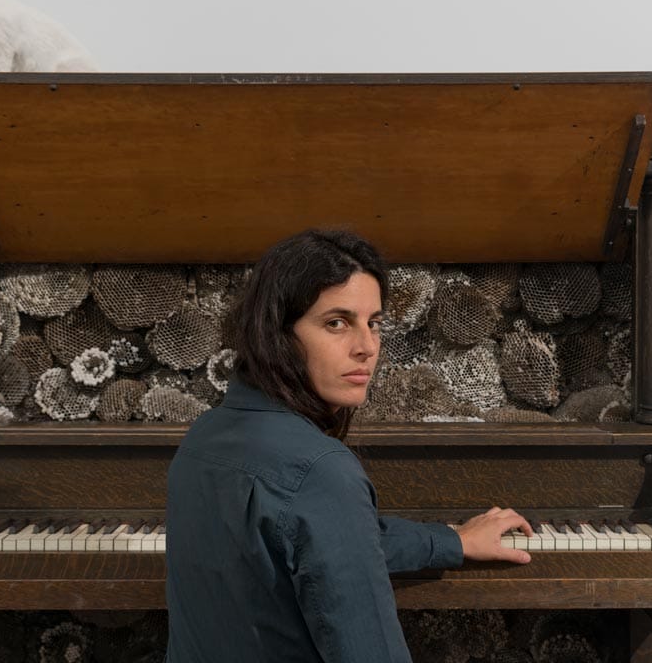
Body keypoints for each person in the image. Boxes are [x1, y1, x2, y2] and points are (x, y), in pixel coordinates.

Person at [166, 228, 534, 663]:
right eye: (336, 323)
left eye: (374, 323)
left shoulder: (204, 434)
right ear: (276, 334)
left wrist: (452, 540)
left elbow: (324, 541)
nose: (367, 348)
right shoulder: (321, 470)